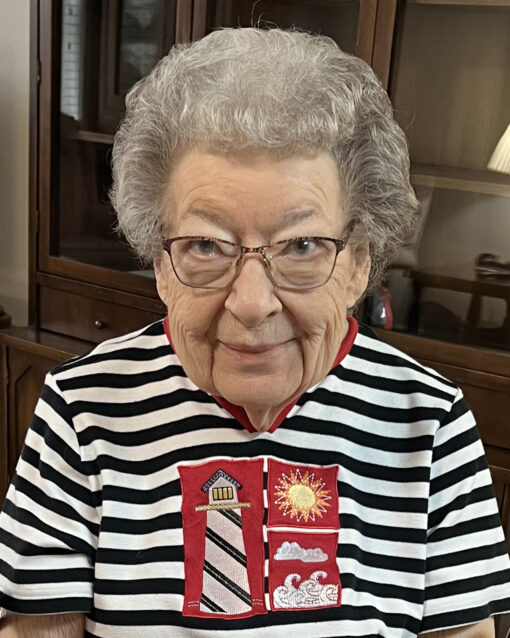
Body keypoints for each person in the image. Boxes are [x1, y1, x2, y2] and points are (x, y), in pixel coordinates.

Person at [0, 27, 509, 638]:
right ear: (160, 264)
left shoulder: (428, 421)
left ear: (358, 262)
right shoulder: (85, 407)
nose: (250, 303)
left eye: (302, 245)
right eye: (205, 246)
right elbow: (37, 628)